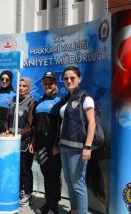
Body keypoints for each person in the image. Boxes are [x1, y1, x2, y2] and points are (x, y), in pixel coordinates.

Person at [59, 66, 96, 214]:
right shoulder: (67, 98)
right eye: (66, 78)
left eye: (72, 77)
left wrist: (87, 147)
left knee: (78, 184)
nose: (69, 80)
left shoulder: (85, 97)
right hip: (64, 146)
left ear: (79, 79)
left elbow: (92, 123)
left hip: (78, 148)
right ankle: (74, 210)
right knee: (69, 182)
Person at [33, 71, 63, 214]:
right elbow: (35, 125)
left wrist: (57, 144)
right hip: (41, 143)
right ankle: (47, 203)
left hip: (53, 144)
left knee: (54, 175)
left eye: (50, 83)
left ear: (56, 84)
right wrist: (34, 141)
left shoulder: (60, 101)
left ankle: (54, 206)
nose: (47, 85)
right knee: (46, 174)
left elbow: (62, 126)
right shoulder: (39, 102)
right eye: (45, 83)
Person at [6, 77, 36, 207]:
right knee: (14, 169)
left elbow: (30, 126)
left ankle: (28, 193)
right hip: (12, 142)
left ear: (29, 87)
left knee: (25, 169)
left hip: (24, 142)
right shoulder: (14, 100)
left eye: (24, 86)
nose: (21, 88)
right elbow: (7, 118)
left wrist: (18, 135)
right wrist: (7, 130)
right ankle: (18, 191)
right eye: (19, 85)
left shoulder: (32, 102)